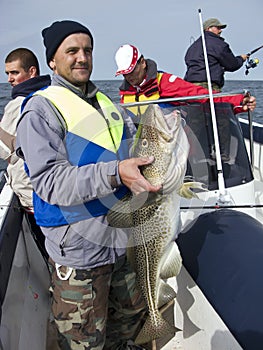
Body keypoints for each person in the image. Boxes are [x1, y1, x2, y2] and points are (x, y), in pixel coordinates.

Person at [15, 20, 161, 350]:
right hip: (80, 256)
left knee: (126, 333)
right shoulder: (40, 111)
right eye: (72, 51)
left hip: (123, 244)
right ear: (52, 60)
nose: (82, 57)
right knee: (83, 342)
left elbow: (134, 150)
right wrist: (116, 173)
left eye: (88, 50)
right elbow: (50, 183)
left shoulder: (108, 105)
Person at [114, 44, 256, 162]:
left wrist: (238, 102)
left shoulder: (164, 82)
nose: (129, 77)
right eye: (125, 73)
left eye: (132, 71)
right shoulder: (125, 94)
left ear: (143, 62)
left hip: (172, 151)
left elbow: (202, 96)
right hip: (144, 154)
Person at [0, 48, 50, 260]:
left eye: (14, 73)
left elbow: (6, 154)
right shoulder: (49, 96)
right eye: (8, 74)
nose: (10, 79)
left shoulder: (17, 104)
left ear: (31, 72)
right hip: (51, 192)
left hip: (32, 197)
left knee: (48, 253)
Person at [184, 18, 248, 91]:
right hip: (208, 87)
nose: (220, 30)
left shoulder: (192, 47)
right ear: (208, 28)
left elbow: (207, 64)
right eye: (218, 28)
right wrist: (241, 59)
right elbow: (232, 65)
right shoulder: (219, 45)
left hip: (190, 87)